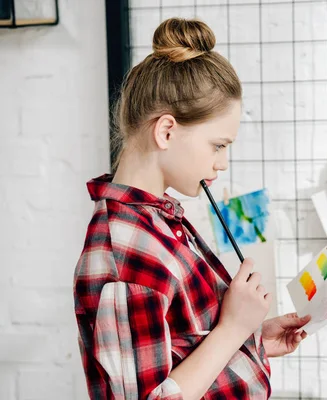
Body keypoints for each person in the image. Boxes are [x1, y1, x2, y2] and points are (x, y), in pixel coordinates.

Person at [73, 17, 311, 400]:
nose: (223, 163)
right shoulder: (124, 253)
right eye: (218, 145)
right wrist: (232, 330)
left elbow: (181, 348)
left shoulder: (157, 221)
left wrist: (252, 339)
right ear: (166, 131)